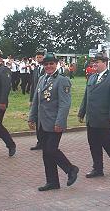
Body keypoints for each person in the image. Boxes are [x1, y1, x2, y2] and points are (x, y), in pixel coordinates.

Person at [28, 53, 79, 191]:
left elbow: (65, 104)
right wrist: (31, 117)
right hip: (42, 123)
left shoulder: (62, 80)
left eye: (51, 64)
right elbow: (36, 101)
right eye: (46, 64)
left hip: (54, 123)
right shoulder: (41, 79)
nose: (48, 66)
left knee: (51, 150)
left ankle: (71, 169)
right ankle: (52, 182)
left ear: (56, 64)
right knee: (46, 153)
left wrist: (60, 122)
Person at [78, 52, 110, 178]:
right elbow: (86, 96)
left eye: (97, 62)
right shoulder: (92, 77)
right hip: (92, 117)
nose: (94, 64)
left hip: (104, 117)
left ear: (105, 63)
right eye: (94, 62)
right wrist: (82, 112)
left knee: (107, 143)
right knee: (93, 144)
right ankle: (98, 168)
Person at [29, 50, 45, 150]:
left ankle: (45, 142)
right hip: (37, 99)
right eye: (37, 57)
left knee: (43, 121)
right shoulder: (36, 69)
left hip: (45, 100)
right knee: (37, 120)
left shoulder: (47, 69)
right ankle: (40, 142)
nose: (38, 59)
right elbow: (33, 85)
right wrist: (31, 99)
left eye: (40, 57)